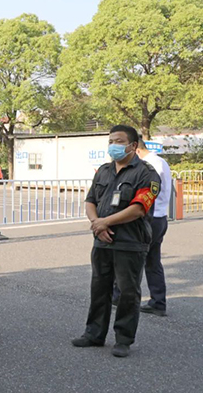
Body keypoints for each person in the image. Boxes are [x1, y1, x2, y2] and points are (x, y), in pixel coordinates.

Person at [72, 125, 160, 357]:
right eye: (111, 141)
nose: (113, 145)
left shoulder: (146, 173)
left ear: (132, 145)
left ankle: (123, 339)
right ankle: (94, 334)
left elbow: (139, 208)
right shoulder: (104, 171)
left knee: (128, 292)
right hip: (102, 240)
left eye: (119, 141)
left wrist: (105, 222)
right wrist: (96, 223)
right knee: (99, 288)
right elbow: (91, 201)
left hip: (130, 242)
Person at [113, 138, 171, 316]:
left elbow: (143, 193)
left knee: (129, 258)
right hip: (159, 217)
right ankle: (158, 301)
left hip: (148, 218)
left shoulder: (148, 166)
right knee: (153, 261)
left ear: (136, 149)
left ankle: (120, 297)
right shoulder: (160, 161)